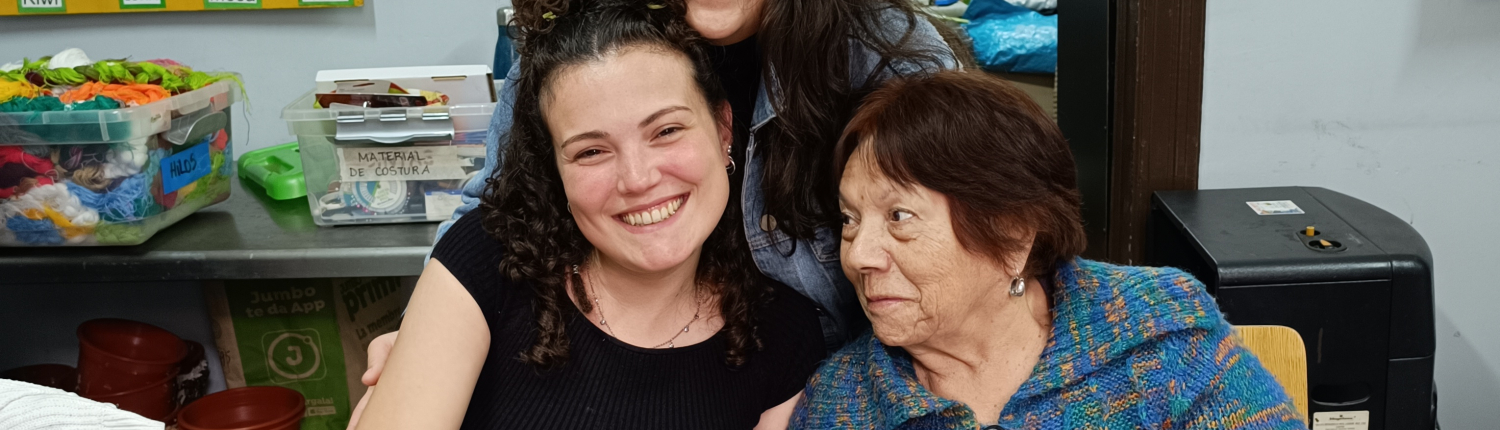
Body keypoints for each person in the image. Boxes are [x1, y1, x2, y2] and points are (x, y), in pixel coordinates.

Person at [352, 2, 825, 428]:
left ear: (723, 131)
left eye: (666, 131)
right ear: (553, 169)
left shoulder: (785, 335)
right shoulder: (487, 263)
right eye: (591, 151)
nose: (637, 179)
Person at [790, 70, 1306, 429]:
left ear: (1013, 233)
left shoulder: (1157, 328)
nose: (859, 256)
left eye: (899, 217)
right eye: (849, 220)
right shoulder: (840, 405)